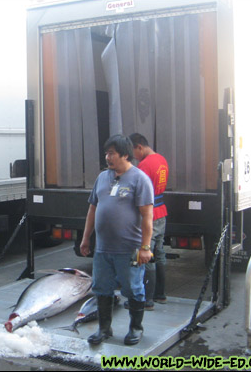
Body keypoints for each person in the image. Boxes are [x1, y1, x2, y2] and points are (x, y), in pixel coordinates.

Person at [80, 134, 154, 346]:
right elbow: (92, 209)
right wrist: (86, 239)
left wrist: (145, 248)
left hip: (129, 249)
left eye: (111, 153)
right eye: (106, 153)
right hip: (103, 249)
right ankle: (104, 329)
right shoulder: (102, 178)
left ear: (125, 154)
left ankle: (135, 329)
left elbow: (148, 217)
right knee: (102, 288)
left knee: (133, 289)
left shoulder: (139, 179)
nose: (107, 157)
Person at [130, 133, 169, 309]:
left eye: (133, 152)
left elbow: (139, 192)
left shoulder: (144, 166)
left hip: (149, 214)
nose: (133, 157)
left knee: (147, 255)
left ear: (139, 146)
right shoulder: (162, 159)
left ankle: (147, 299)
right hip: (161, 212)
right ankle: (161, 294)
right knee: (159, 253)